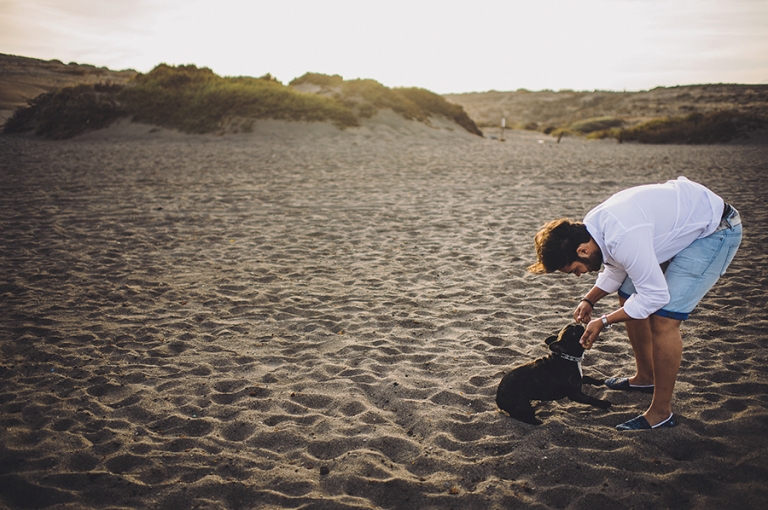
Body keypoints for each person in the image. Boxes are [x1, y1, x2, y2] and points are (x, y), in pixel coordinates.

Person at [527, 177, 742, 430]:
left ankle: (661, 413)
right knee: (628, 294)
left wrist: (604, 321)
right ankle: (645, 377)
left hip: (715, 230)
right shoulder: (591, 229)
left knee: (663, 318)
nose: (578, 275)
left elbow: (654, 296)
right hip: (682, 225)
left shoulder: (623, 235)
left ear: (582, 251)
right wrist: (589, 299)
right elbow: (617, 266)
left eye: (574, 269)